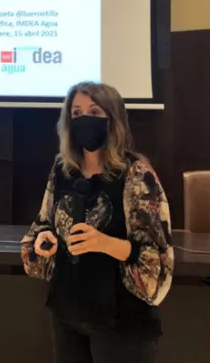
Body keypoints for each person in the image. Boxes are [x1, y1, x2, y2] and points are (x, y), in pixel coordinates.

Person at [21, 82, 174, 363]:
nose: (84, 119)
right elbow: (43, 223)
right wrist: (45, 238)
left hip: (120, 318)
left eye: (94, 112)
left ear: (113, 119)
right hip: (68, 310)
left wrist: (105, 243)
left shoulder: (136, 174)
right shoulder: (63, 169)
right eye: (76, 113)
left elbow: (156, 254)